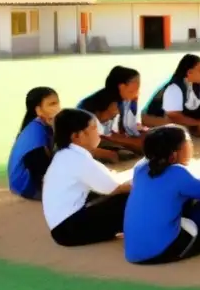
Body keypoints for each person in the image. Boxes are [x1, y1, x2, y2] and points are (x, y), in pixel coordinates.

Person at [124, 125, 200, 264]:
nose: (191, 145)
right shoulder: (177, 173)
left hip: (133, 253)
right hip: (163, 252)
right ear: (174, 153)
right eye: (187, 141)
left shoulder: (140, 169)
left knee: (184, 202)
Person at [42, 108, 131, 247]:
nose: (99, 133)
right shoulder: (77, 159)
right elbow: (115, 188)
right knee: (129, 198)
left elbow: (110, 179)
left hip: (63, 228)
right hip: (68, 230)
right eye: (94, 128)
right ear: (77, 136)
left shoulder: (68, 155)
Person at [142, 54, 200, 136]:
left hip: (186, 112)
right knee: (173, 124)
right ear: (189, 72)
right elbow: (174, 115)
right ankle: (195, 130)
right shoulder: (174, 88)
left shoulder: (199, 84)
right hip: (158, 116)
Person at [7, 87, 60, 199]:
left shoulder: (41, 125)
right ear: (39, 110)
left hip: (28, 181)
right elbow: (40, 168)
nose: (58, 108)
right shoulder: (36, 131)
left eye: (58, 103)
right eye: (52, 104)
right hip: (26, 187)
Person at [101, 66, 147, 153]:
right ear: (121, 87)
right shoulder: (108, 104)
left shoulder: (129, 100)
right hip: (105, 137)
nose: (138, 92)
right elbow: (105, 133)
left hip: (118, 135)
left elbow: (129, 127)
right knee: (147, 144)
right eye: (134, 89)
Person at [77, 88, 125, 164]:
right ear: (101, 109)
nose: (117, 112)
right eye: (115, 108)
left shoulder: (109, 120)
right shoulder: (88, 123)